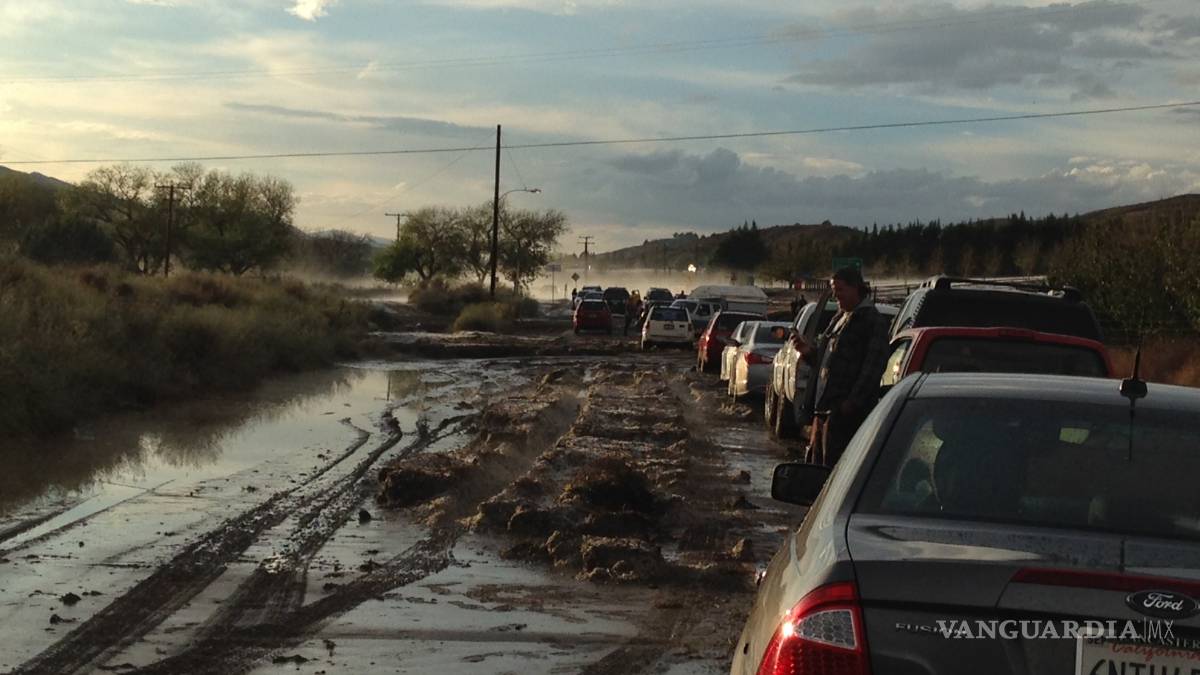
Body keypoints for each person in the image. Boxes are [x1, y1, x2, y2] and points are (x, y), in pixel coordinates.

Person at [791, 267, 890, 467]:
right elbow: (826, 361)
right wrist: (808, 352)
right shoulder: (838, 318)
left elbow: (873, 368)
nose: (835, 295)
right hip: (823, 413)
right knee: (816, 470)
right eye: (833, 290)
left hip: (846, 419)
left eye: (840, 290)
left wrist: (850, 404)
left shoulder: (872, 321)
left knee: (835, 470)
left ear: (856, 288)